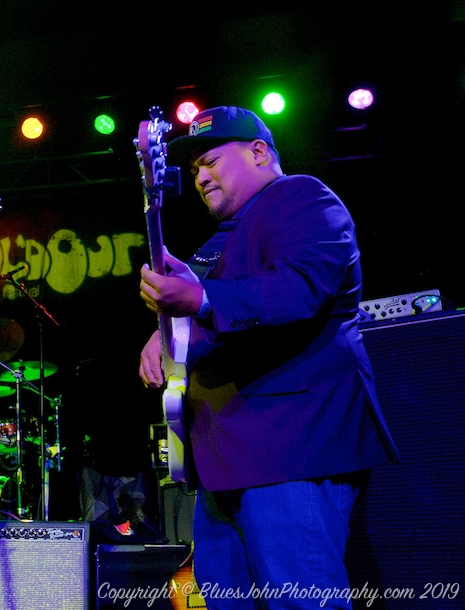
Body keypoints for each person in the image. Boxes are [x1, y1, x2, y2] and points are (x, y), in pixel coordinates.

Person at [138, 106, 399, 608]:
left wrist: (200, 302)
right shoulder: (219, 240)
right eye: (193, 170)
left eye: (210, 161)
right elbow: (192, 308)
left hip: (289, 445)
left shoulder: (302, 197)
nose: (200, 176)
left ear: (258, 152)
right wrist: (165, 332)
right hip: (223, 457)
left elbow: (300, 288)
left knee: (302, 599)